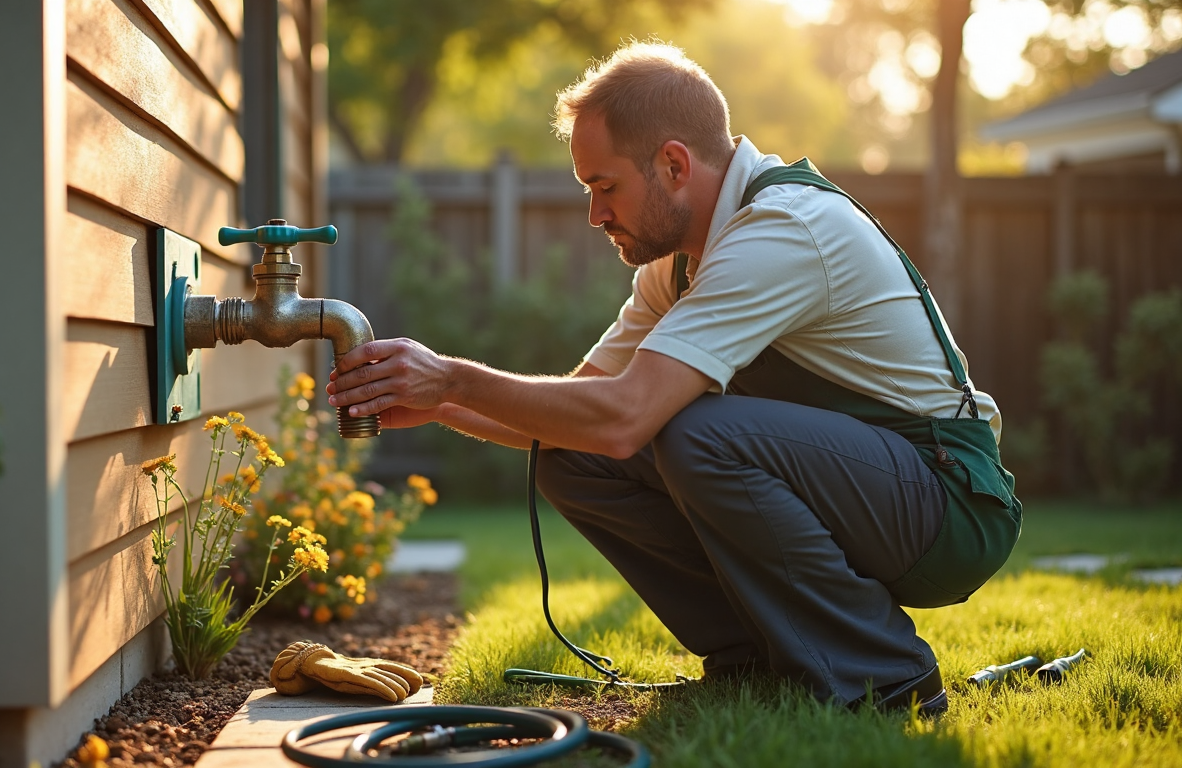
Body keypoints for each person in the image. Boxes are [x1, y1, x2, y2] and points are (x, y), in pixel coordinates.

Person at [325, 41, 1020, 713]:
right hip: (876, 489)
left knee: (695, 432)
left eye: (606, 187)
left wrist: (450, 380)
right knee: (572, 458)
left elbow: (626, 416)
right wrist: (439, 403)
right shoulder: (679, 262)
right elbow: (584, 409)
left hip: (948, 502)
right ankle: (753, 659)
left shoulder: (781, 231)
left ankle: (887, 678)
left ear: (674, 164)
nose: (595, 214)